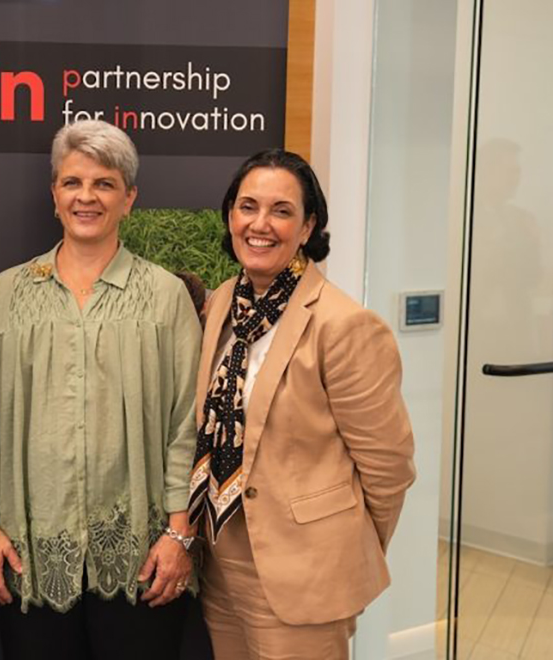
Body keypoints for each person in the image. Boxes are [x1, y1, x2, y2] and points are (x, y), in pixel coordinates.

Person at [0, 120, 202, 660]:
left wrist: (179, 535)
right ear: (54, 195)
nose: (86, 197)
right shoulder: (9, 294)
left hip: (146, 558)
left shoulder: (165, 298)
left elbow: (187, 424)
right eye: (73, 183)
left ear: (129, 198)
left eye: (105, 183)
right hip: (28, 556)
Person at [188, 149, 416, 659]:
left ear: (309, 226)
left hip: (304, 573)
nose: (260, 224)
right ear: (230, 217)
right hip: (222, 558)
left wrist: (341, 549)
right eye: (248, 207)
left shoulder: (345, 326)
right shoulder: (224, 300)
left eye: (282, 210)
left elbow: (388, 468)